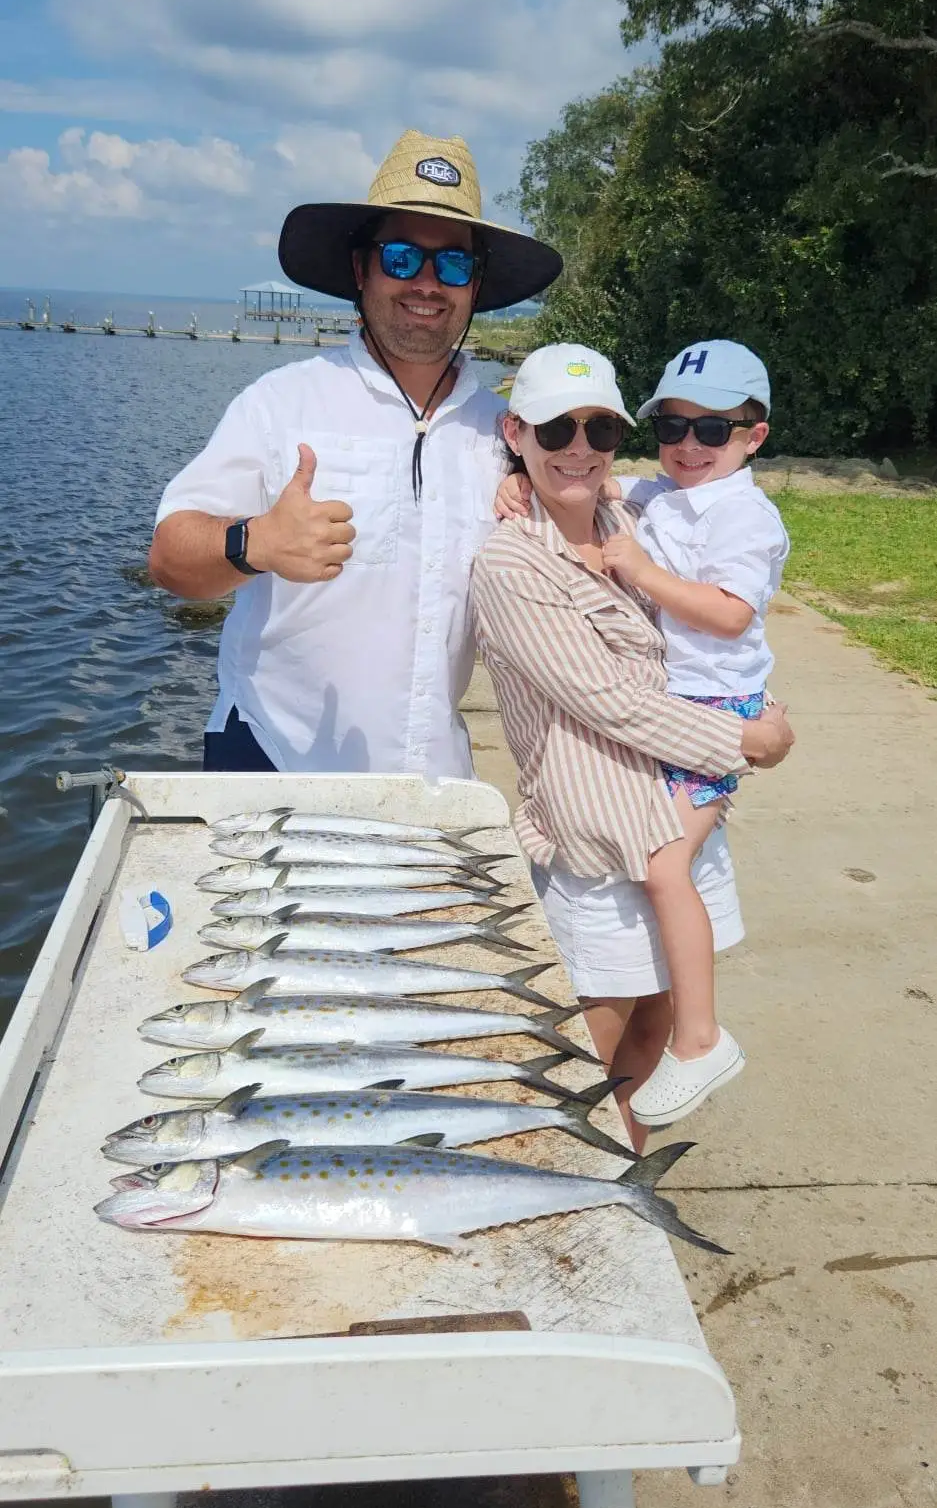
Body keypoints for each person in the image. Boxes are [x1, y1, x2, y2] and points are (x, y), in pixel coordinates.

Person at [148, 131, 561, 774]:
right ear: (362, 269)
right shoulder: (280, 402)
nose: (427, 282)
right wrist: (255, 542)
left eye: (454, 264)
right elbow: (170, 558)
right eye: (402, 257)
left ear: (476, 284)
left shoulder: (505, 432)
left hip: (432, 771)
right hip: (273, 755)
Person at [472, 343, 794, 1148]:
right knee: (583, 1058)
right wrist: (748, 740)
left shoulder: (627, 518)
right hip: (605, 832)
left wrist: (743, 723)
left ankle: (626, 1173)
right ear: (515, 431)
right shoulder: (511, 563)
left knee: (654, 1026)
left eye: (600, 429)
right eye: (555, 430)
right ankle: (572, 1180)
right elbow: (606, 701)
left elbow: (719, 615)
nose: (579, 448)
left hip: (676, 797)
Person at [601, 341, 790, 1126]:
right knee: (661, 859)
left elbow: (730, 613)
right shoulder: (666, 491)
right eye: (671, 426)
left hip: (715, 711)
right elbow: (601, 482)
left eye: (711, 430)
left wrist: (641, 573)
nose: (687, 445)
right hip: (675, 703)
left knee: (663, 864)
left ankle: (699, 1038)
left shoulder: (744, 514)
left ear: (753, 436)